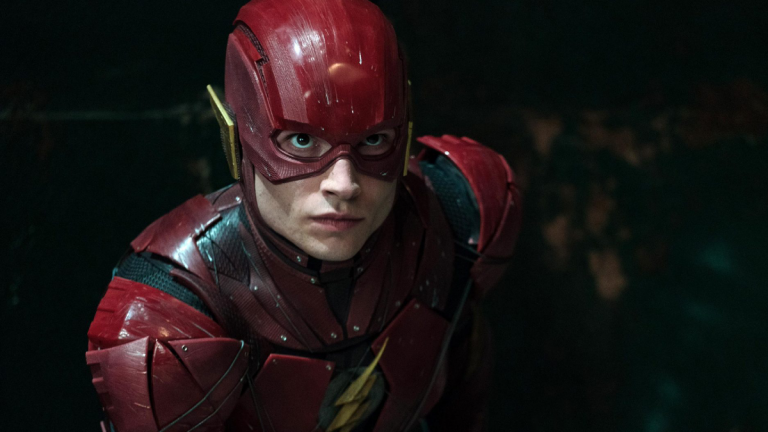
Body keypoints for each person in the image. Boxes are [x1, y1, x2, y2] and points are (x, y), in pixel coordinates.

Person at [85, 0, 521, 431]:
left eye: (373, 141)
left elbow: (464, 383)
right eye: (301, 141)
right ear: (236, 139)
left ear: (403, 135)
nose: (344, 185)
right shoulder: (174, 307)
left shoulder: (460, 213)